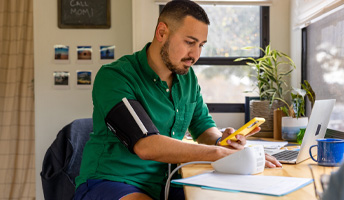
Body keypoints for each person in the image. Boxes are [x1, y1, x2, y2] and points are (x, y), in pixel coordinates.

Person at [74, 1, 281, 200]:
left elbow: (202, 127)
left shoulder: (187, 79)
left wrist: (222, 141)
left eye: (201, 45)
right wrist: (219, 152)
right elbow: (146, 145)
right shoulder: (116, 77)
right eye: (190, 42)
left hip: (166, 181)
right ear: (162, 32)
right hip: (112, 181)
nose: (196, 55)